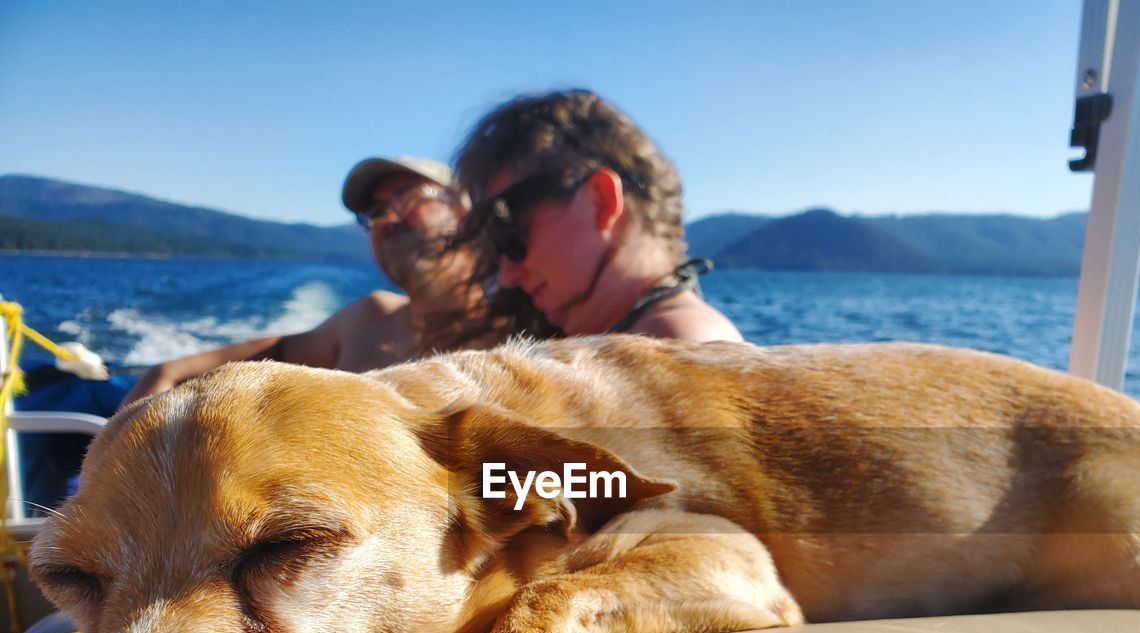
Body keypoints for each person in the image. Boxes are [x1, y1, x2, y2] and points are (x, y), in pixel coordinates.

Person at [122, 157, 504, 405]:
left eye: (408, 197)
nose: (387, 218)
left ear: (466, 216)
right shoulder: (368, 318)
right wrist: (169, 372)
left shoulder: (522, 337)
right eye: (374, 211)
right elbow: (281, 350)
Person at [454, 90, 744, 343]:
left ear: (602, 200)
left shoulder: (681, 344)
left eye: (510, 234)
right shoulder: (639, 340)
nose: (507, 276)